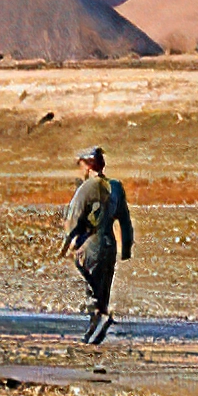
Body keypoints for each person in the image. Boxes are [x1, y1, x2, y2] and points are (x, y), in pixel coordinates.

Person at [60, 146, 135, 345]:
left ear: (87, 166)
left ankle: (98, 323)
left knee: (91, 289)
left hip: (90, 244)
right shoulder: (116, 187)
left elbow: (73, 220)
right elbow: (125, 221)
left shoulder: (86, 188)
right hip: (109, 244)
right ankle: (92, 335)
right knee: (104, 291)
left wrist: (65, 246)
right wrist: (126, 248)